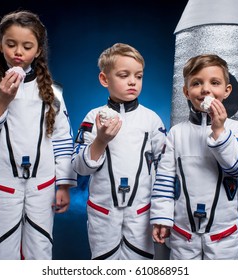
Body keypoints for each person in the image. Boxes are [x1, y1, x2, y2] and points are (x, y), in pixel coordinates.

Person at [0, 10, 77, 260]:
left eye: (27, 46)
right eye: (11, 44)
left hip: (43, 185)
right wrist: (1, 101)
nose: (18, 52)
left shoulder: (52, 90)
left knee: (40, 250)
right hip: (2, 185)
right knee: (3, 251)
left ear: (37, 50)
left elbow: (62, 139)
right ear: (0, 45)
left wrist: (64, 184)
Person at [150, 54, 238, 260]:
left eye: (214, 83)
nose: (205, 89)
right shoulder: (176, 133)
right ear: (186, 92)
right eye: (197, 83)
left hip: (223, 235)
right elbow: (165, 180)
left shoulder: (236, 129)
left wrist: (220, 131)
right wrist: (162, 218)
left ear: (226, 90)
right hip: (183, 233)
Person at [72, 43, 167, 260]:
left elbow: (165, 169)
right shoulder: (93, 117)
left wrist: (163, 212)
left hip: (141, 214)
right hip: (103, 213)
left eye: (139, 76)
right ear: (105, 79)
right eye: (124, 75)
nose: (133, 81)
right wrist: (100, 141)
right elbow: (79, 167)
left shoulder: (151, 120)